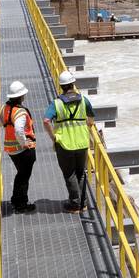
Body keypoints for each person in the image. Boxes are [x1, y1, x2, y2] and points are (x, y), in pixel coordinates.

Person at [43, 70, 95, 212]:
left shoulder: (57, 104)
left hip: (64, 144)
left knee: (69, 174)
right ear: (73, 84)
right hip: (82, 142)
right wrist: (87, 128)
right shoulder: (84, 100)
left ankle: (74, 204)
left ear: (61, 86)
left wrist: (53, 137)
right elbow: (91, 119)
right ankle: (83, 203)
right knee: (81, 173)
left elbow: (46, 120)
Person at [0, 81, 37, 212]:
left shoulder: (6, 109)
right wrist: (24, 143)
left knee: (20, 175)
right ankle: (21, 204)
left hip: (11, 150)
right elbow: (19, 130)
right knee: (24, 177)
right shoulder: (20, 112)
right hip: (23, 150)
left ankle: (16, 200)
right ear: (21, 96)